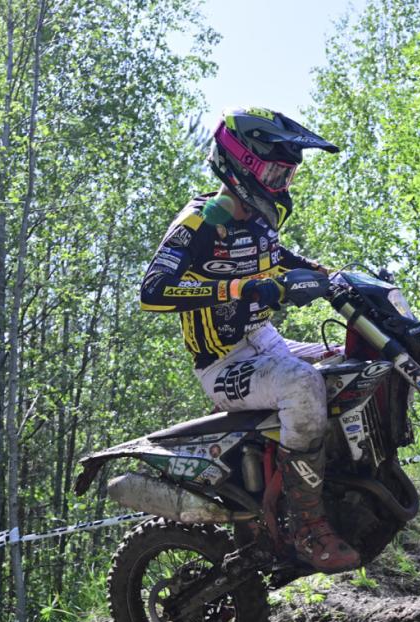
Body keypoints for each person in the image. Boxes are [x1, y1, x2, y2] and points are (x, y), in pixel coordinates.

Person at [139, 107, 360, 573]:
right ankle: (306, 524)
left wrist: (331, 275)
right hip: (222, 363)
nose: (281, 184)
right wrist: (237, 289)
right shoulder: (198, 223)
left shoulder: (261, 218)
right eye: (275, 173)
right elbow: (152, 291)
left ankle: (349, 493)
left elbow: (275, 254)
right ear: (240, 164)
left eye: (287, 175)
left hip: (266, 341)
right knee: (303, 385)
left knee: (353, 363)